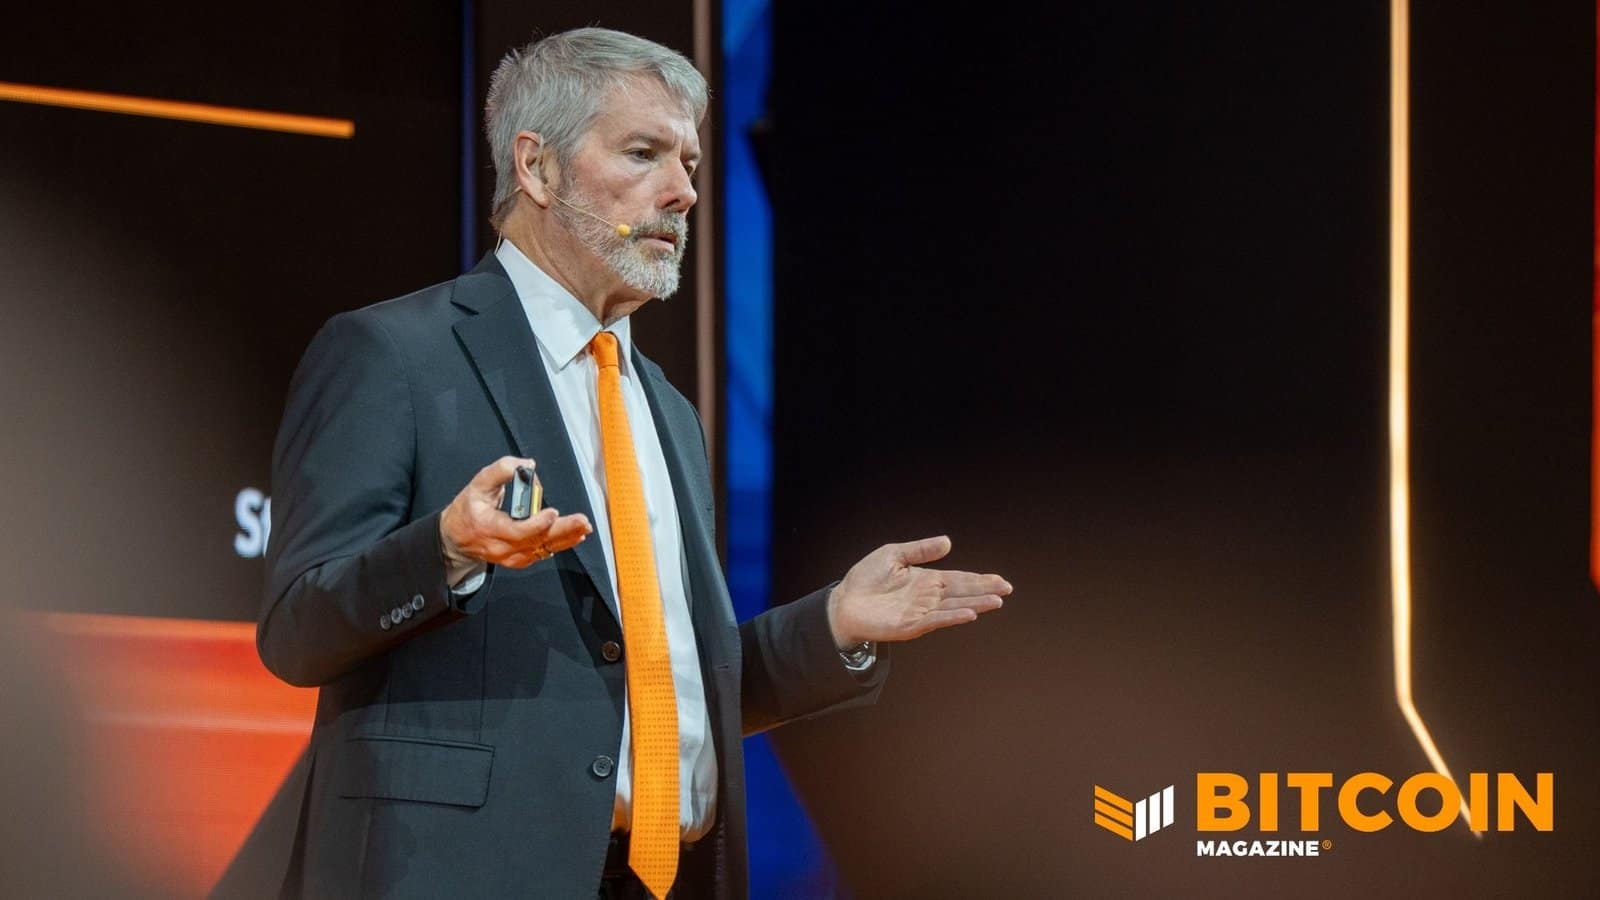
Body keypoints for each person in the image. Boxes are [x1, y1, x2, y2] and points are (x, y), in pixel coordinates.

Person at [258, 27, 1010, 900]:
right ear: (536, 168)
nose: (684, 191)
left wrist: (832, 626)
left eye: (689, 162)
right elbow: (296, 630)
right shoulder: (393, 355)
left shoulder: (669, 411)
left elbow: (658, 686)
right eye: (645, 153)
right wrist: (446, 552)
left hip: (664, 877)